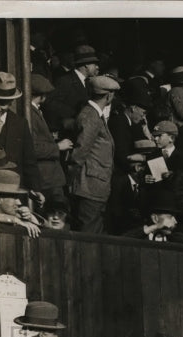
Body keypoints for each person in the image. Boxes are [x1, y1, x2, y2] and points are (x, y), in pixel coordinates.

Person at [68, 75, 120, 233]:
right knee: (90, 233)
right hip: (90, 186)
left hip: (95, 185)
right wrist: (73, 182)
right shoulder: (90, 116)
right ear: (109, 95)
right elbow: (80, 152)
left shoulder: (93, 115)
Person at [0, 72, 42, 203]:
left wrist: (35, 188)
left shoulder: (20, 124)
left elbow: (29, 160)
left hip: (13, 192)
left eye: (2, 103)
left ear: (11, 101)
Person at [0, 169, 41, 238]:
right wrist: (14, 219)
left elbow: (49, 227)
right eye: (14, 198)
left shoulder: (16, 216)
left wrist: (31, 217)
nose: (19, 202)